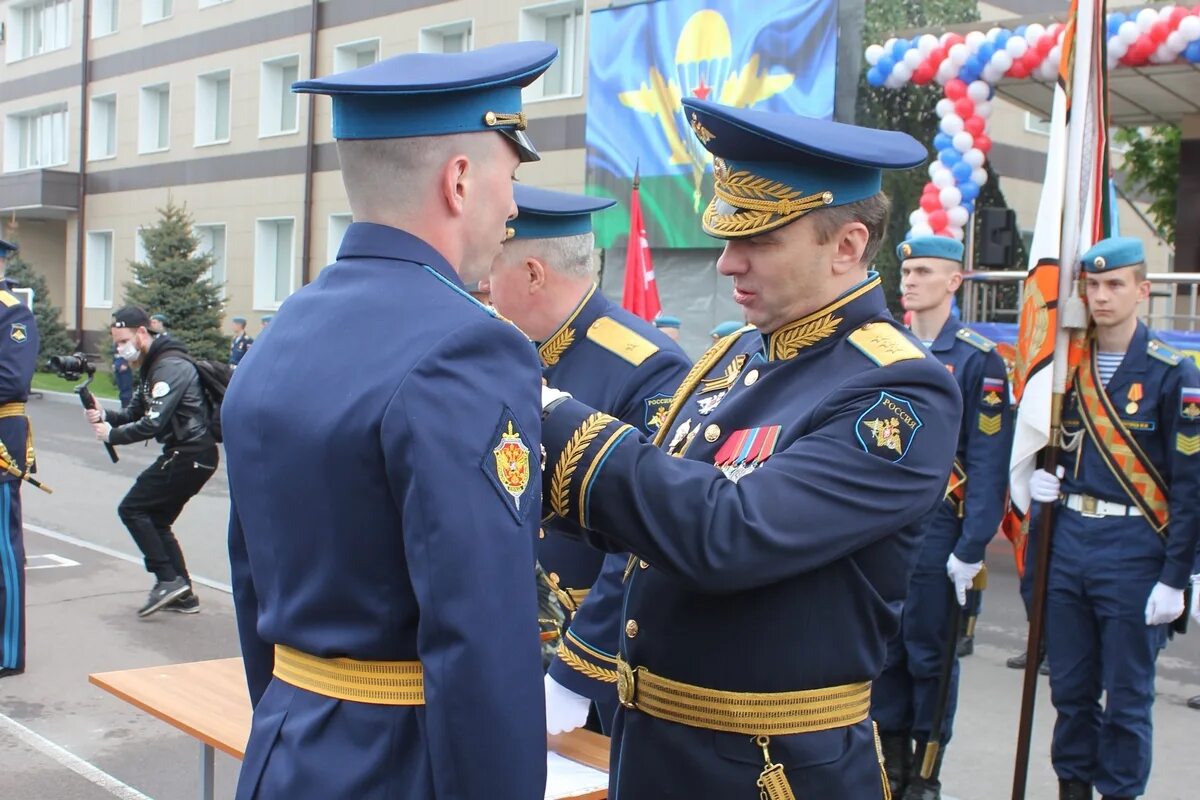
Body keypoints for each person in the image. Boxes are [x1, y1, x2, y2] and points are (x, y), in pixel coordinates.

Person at [538, 98, 960, 798]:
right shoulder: (735, 353)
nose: (728, 262)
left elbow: (729, 534)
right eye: (729, 236)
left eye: (759, 240)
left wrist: (555, 417)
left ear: (847, 245)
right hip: (656, 752)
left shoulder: (898, 391)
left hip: (769, 769)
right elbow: (649, 526)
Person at [222, 42, 557, 800]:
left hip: (286, 749)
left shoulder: (281, 335)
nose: (512, 208)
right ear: (460, 179)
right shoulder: (471, 346)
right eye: (509, 180)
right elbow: (481, 634)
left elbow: (251, 579)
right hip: (402, 768)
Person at [487, 184, 691, 735]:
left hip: (596, 658)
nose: (481, 284)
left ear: (533, 273)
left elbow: (649, 539)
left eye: (491, 268)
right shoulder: (509, 351)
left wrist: (578, 675)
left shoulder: (648, 368)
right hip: (510, 633)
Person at [1028, 237, 1200, 800]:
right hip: (1070, 539)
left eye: (1115, 284)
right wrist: (1035, 475)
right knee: (1071, 692)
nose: (1101, 296)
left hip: (1134, 547)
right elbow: (1042, 439)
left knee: (1127, 700)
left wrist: (1179, 577)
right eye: (1093, 286)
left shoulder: (1174, 374)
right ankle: (1072, 790)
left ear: (1142, 292)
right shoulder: (1063, 371)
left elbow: (1191, 486)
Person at [874, 235, 1012, 799]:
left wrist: (973, 545)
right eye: (906, 270)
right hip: (887, 528)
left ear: (955, 281)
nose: (909, 280)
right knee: (885, 649)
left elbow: (987, 460)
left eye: (924, 271)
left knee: (930, 655)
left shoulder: (978, 357)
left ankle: (925, 773)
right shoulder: (888, 346)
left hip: (941, 530)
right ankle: (890, 766)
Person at [83, 306, 216, 617]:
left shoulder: (169, 366)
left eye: (123, 341)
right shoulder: (152, 364)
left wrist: (111, 435)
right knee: (156, 519)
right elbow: (134, 414)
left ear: (142, 333)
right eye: (116, 343)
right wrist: (105, 417)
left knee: (133, 508)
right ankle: (182, 593)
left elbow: (153, 423)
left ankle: (168, 580)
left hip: (190, 453)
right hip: (189, 454)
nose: (120, 349)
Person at [0, 238, 39, 679]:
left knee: (2, 551)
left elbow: (11, 379)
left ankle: (7, 650)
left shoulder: (11, 310)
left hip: (1, 437)